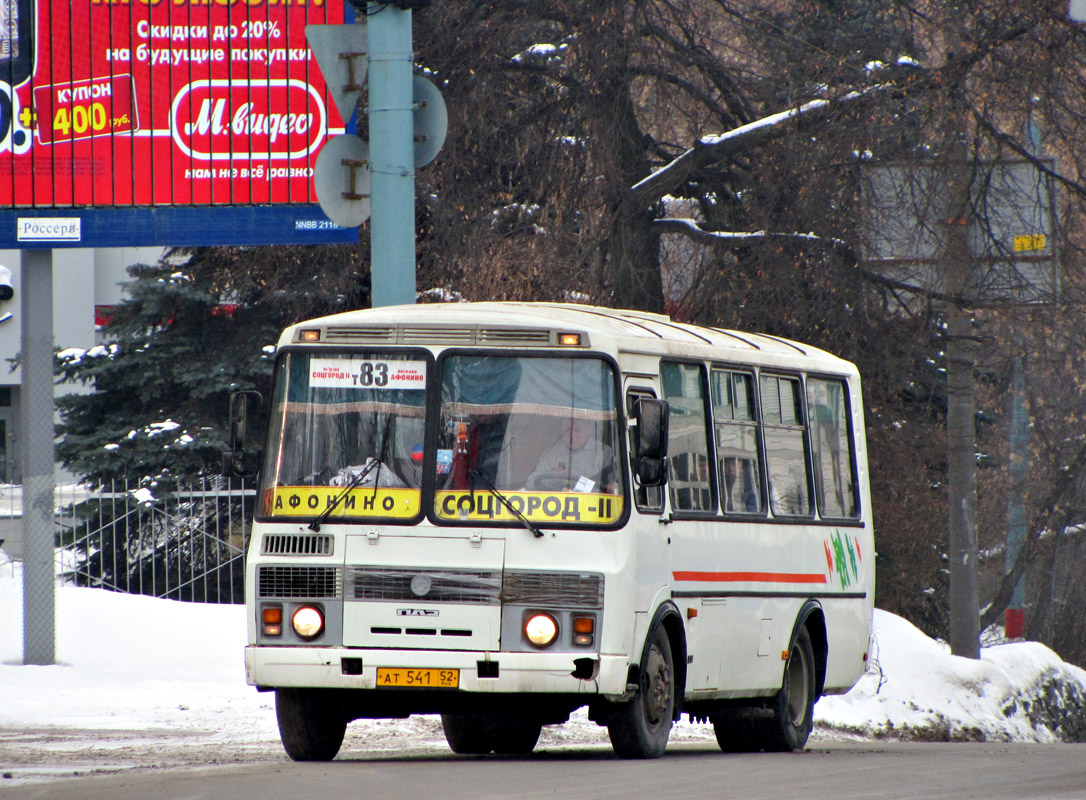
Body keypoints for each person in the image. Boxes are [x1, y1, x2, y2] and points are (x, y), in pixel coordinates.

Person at [525, 417, 617, 493]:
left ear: (589, 429)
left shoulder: (604, 453)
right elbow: (529, 484)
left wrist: (613, 487)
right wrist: (550, 479)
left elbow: (619, 484)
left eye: (577, 430)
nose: (572, 436)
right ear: (561, 430)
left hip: (594, 507)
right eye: (567, 430)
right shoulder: (552, 453)